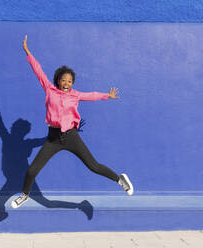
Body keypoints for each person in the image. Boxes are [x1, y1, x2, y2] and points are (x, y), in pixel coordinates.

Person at [11, 35, 133, 209]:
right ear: (58, 81)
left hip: (71, 136)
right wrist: (28, 52)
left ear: (72, 83)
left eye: (69, 81)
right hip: (53, 138)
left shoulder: (75, 95)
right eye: (63, 80)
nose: (66, 83)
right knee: (31, 171)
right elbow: (38, 71)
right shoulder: (50, 90)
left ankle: (119, 179)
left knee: (94, 166)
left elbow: (91, 95)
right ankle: (24, 195)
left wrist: (107, 95)